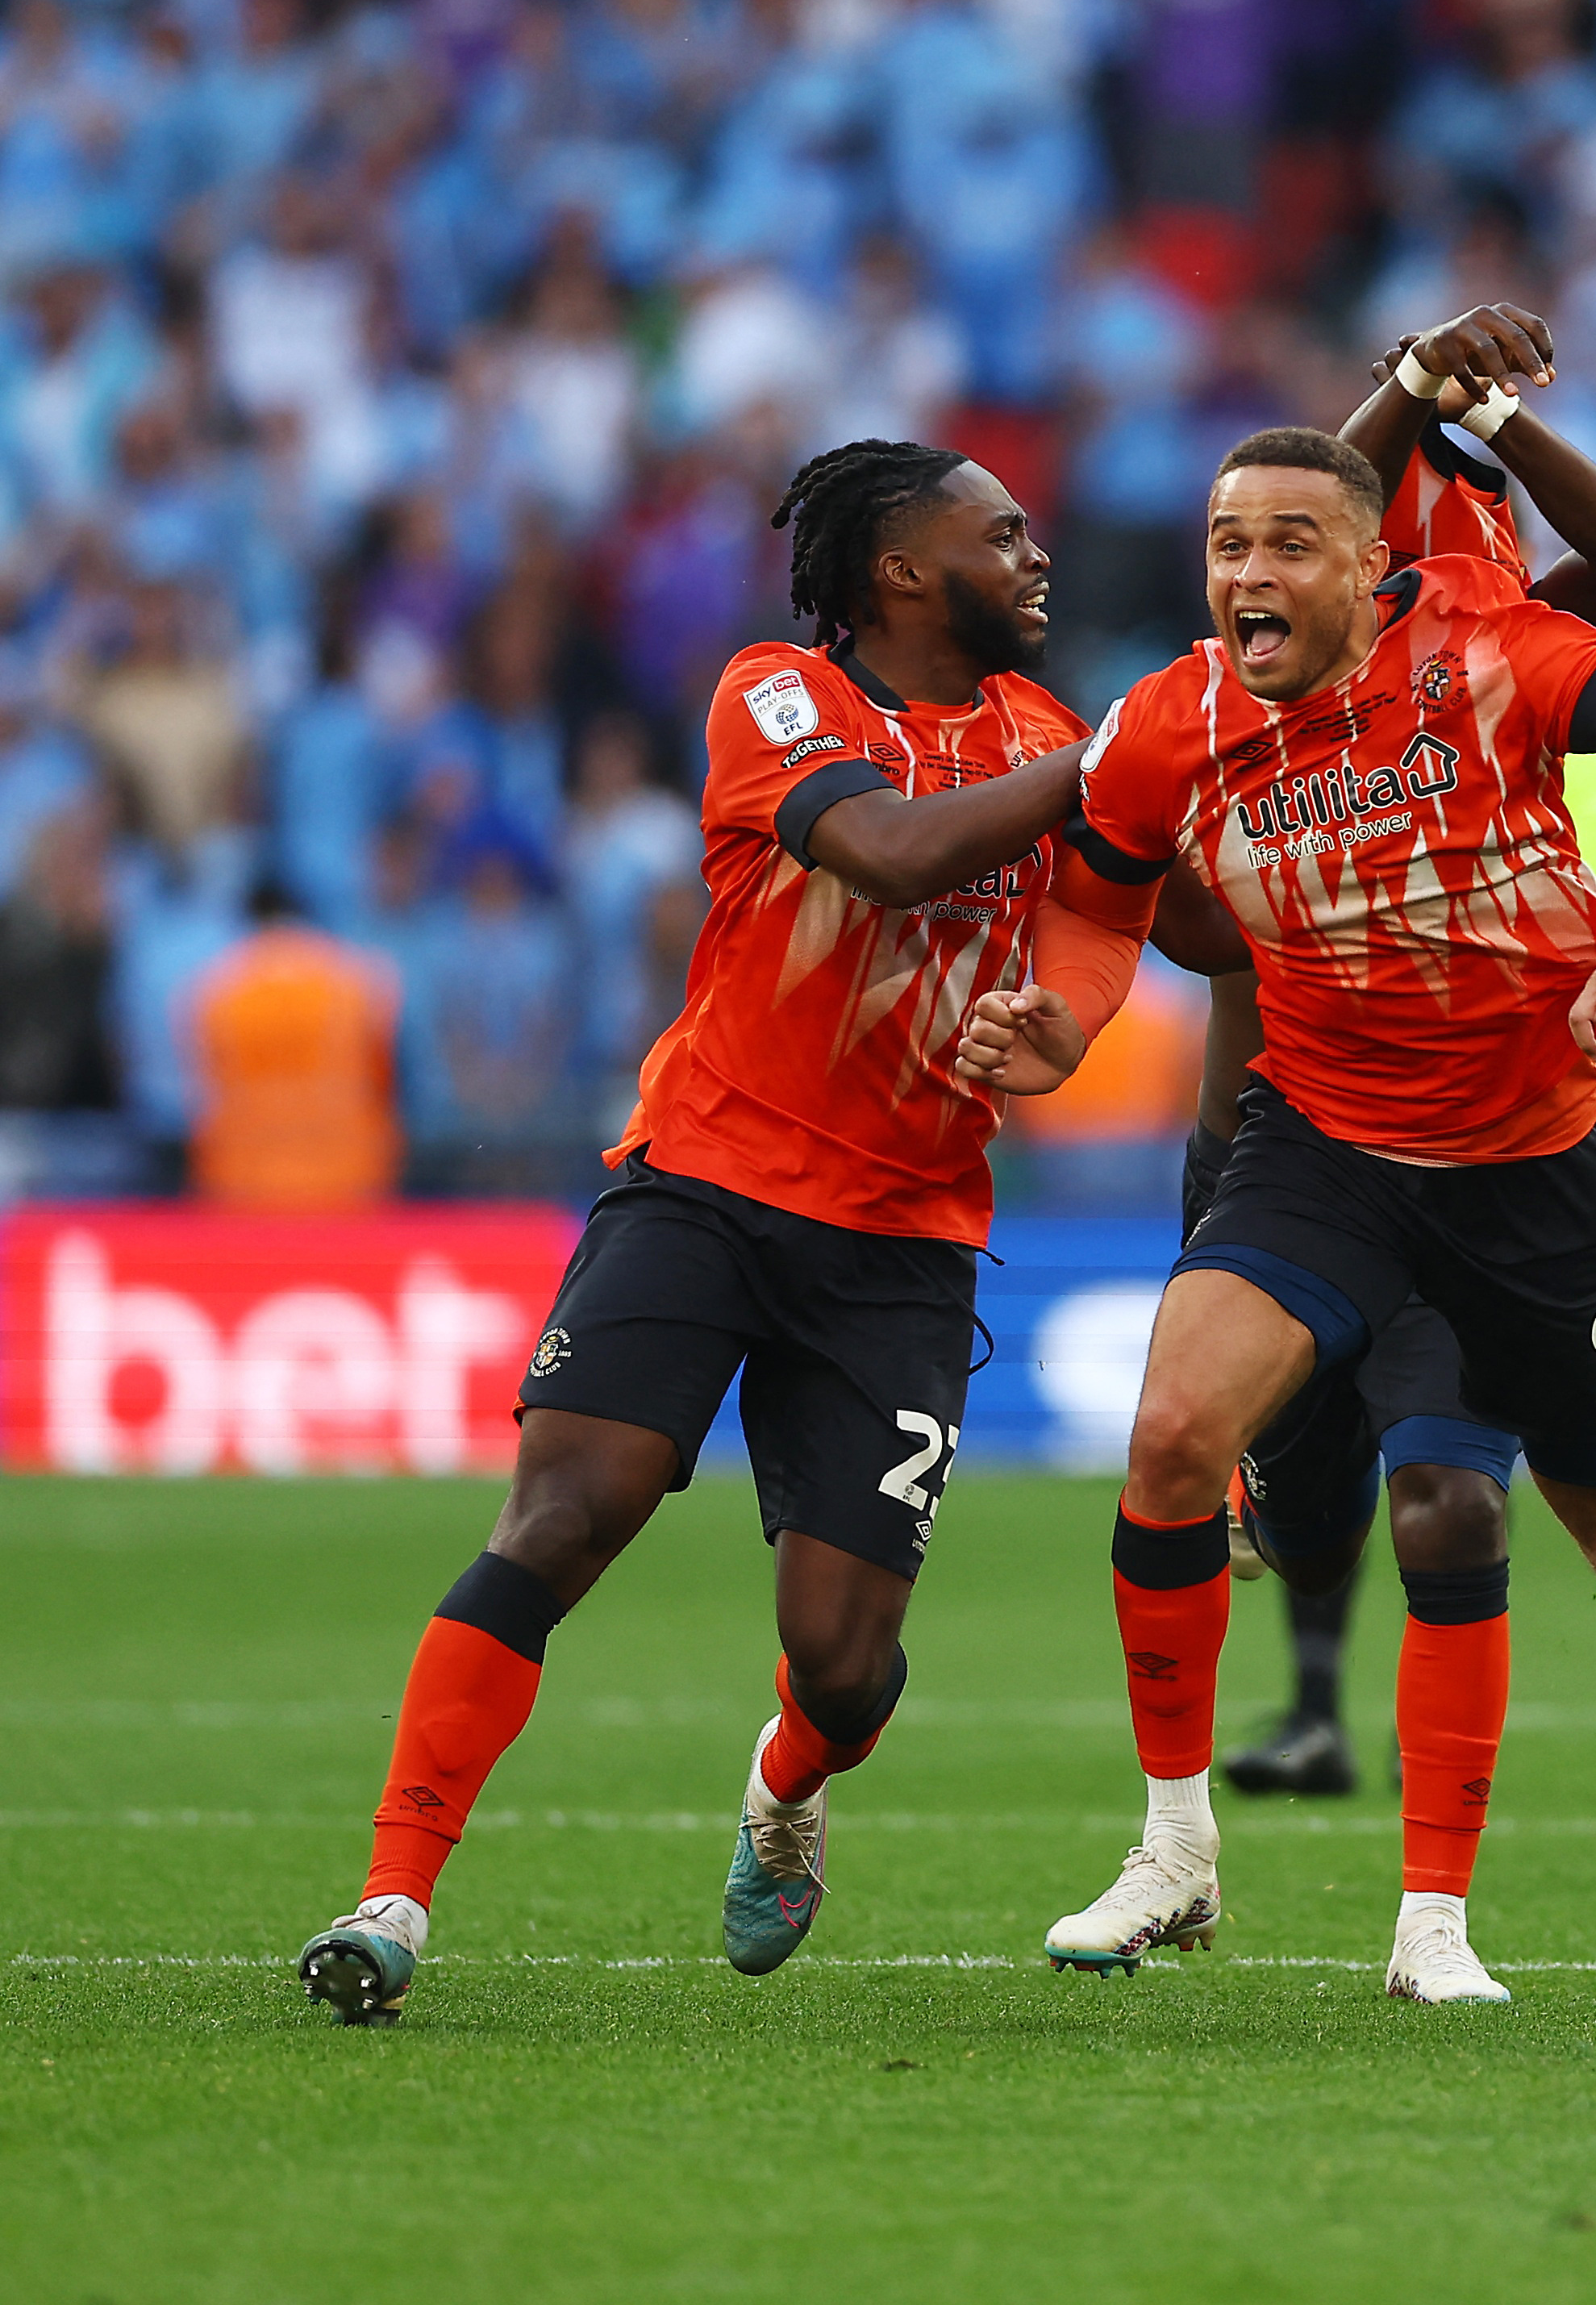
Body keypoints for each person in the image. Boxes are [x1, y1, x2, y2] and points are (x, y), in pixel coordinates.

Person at [955, 424, 1596, 2015]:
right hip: (1324, 1143)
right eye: (1226, 544)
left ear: (1368, 561)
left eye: (1289, 543)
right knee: (1169, 1438)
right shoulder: (1170, 717)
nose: (1247, 575)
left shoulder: (1491, 649)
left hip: (1527, 1165)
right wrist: (1069, 1026)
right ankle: (1173, 1842)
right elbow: (1095, 893)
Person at [298, 442, 1102, 2025]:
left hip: (902, 1241)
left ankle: (789, 1781)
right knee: (564, 1509)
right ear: (900, 569)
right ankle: (391, 1895)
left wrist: (1071, 1006)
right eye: (999, 535)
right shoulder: (778, 695)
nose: (1035, 558)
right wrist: (1130, 751)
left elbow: (1134, 904)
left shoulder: (1045, 732)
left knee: (846, 1658)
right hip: (706, 1182)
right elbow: (885, 849)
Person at [1170, 306, 1596, 1810]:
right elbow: (1320, 488)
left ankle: (1422, 1852)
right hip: (1282, 1140)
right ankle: (1314, 1701)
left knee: (1448, 1496)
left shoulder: (1516, 664)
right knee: (1308, 1502)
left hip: (1473, 1140)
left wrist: (1492, 419)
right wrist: (1408, 385)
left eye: (1477, 536)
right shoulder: (1268, 676)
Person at [185, 879, 401, 1209]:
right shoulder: (360, 980)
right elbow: (383, 1081)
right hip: (346, 1178)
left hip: (243, 1182)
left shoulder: (215, 988)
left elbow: (204, 1089)